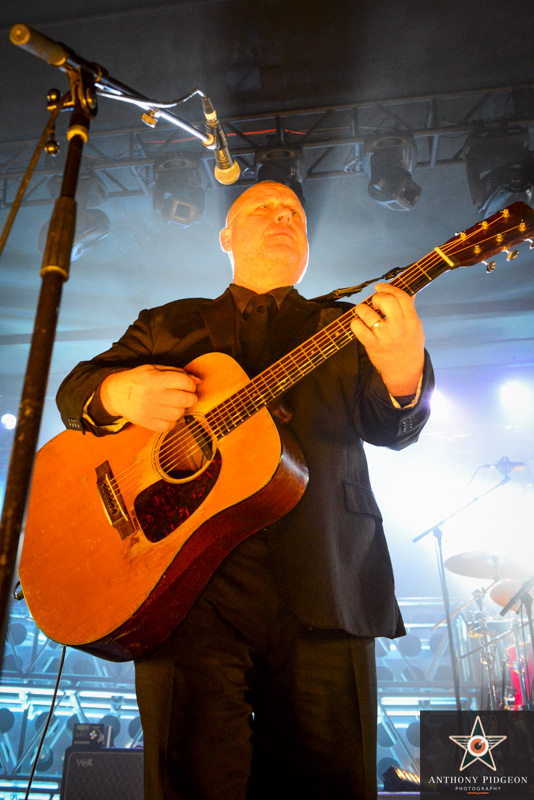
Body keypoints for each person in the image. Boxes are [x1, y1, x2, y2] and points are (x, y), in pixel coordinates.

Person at [56, 180, 434, 800]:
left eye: (295, 213)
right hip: (181, 590)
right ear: (226, 236)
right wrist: (120, 393)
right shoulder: (167, 324)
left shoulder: (347, 325)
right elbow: (77, 391)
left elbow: (395, 426)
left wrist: (404, 370)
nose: (282, 216)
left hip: (327, 579)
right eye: (262, 207)